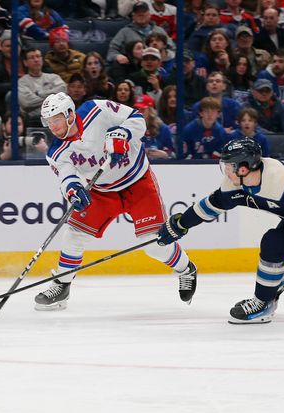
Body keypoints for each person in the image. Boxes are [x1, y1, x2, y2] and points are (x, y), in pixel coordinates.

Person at [157, 137, 284, 323]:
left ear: (244, 168)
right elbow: (211, 205)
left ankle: (263, 302)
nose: (225, 170)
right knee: (278, 247)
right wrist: (180, 224)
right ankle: (270, 294)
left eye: (229, 165)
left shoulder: (282, 179)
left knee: (274, 245)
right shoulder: (235, 185)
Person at [33, 92, 198, 311]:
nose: (52, 126)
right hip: (102, 191)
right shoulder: (57, 151)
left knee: (154, 243)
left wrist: (122, 134)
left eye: (56, 119)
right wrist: (73, 191)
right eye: (48, 121)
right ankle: (63, 285)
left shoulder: (97, 110)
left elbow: (137, 118)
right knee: (74, 234)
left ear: (70, 114)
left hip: (138, 182)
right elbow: (66, 176)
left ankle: (186, 269)